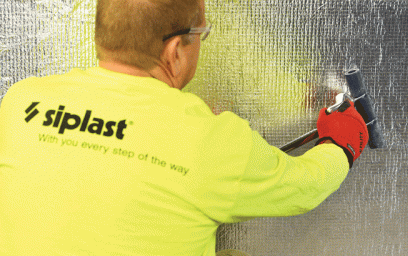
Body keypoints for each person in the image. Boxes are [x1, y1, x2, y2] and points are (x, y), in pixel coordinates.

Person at [0, 0, 368, 255]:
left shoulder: (20, 103)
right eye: (201, 36)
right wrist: (342, 144)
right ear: (175, 50)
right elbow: (303, 186)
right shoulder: (208, 139)